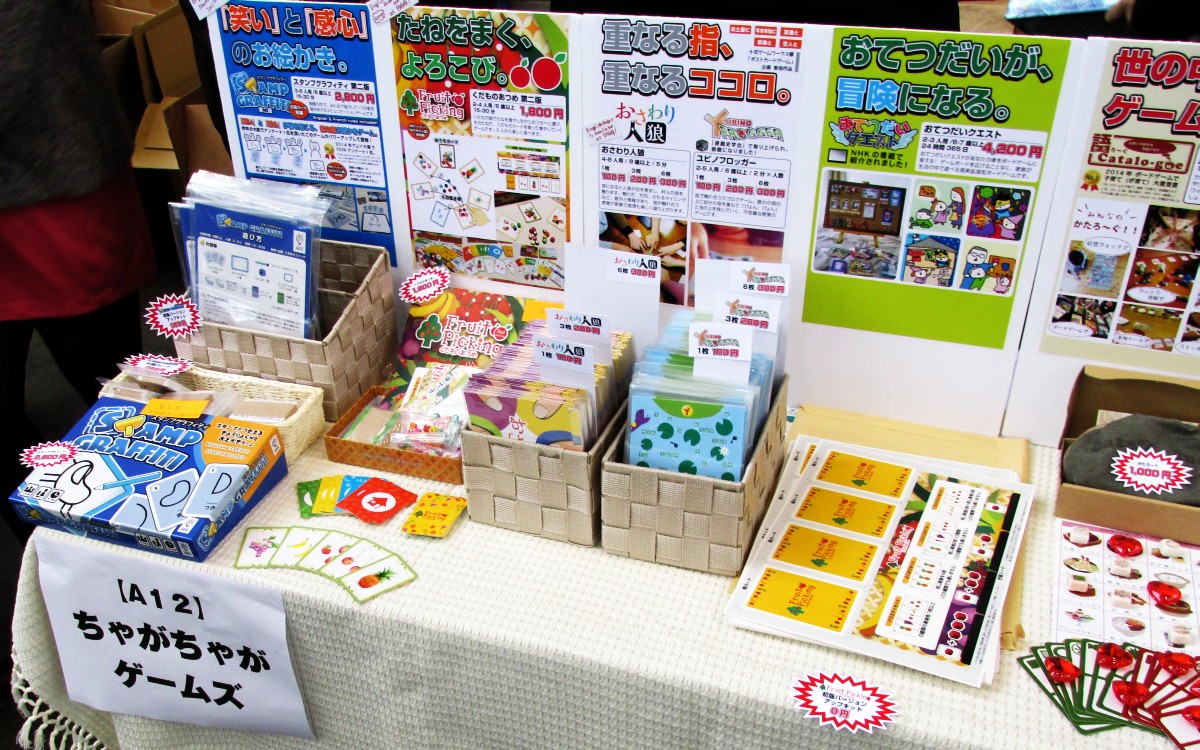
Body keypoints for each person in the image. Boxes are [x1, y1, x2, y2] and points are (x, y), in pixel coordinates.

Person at [0, 0, 157, 542]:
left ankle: (148, 548)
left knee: (125, 408)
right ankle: (59, 552)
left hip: (52, 187)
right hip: (45, 182)